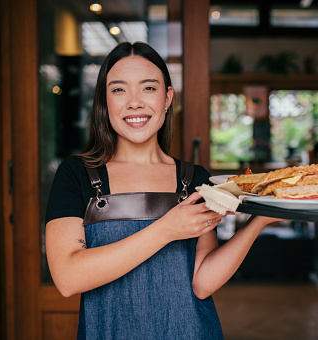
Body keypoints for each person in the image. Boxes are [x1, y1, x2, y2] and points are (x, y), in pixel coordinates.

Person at [45, 41, 281, 340]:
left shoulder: (195, 178)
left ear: (167, 97)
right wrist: (165, 230)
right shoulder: (76, 174)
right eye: (119, 89)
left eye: (148, 88)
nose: (134, 102)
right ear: (105, 101)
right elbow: (68, 278)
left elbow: (202, 282)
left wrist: (260, 218)